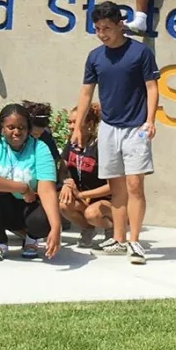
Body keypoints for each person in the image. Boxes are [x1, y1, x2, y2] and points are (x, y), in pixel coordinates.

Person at [70, 1, 160, 264]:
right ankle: (118, 240)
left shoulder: (141, 52)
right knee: (117, 188)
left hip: (136, 128)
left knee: (135, 185)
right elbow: (86, 93)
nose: (102, 34)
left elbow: (152, 88)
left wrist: (150, 121)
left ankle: (135, 242)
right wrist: (78, 127)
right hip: (108, 129)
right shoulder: (95, 57)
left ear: (120, 25)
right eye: (98, 28)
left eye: (106, 28)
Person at [0, 104, 63, 261]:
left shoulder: (40, 148)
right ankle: (0, 242)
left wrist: (56, 227)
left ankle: (31, 240)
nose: (17, 132)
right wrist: (22, 187)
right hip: (1, 205)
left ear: (28, 128)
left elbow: (47, 190)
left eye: (22, 127)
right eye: (11, 127)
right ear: (2, 127)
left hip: (28, 206)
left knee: (45, 219)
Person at [59, 104, 113, 248]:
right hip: (84, 198)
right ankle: (88, 229)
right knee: (64, 205)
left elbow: (112, 187)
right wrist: (67, 182)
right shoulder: (72, 143)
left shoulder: (100, 147)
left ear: (89, 124)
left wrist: (81, 195)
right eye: (69, 122)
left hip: (108, 201)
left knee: (92, 214)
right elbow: (62, 170)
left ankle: (112, 228)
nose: (71, 126)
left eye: (75, 122)